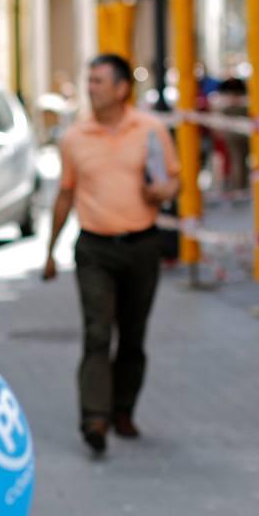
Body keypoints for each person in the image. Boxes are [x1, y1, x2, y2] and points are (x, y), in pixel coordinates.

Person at [42, 54, 180, 455]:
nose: (91, 87)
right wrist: (50, 251)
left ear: (122, 88)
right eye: (89, 80)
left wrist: (163, 192)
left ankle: (122, 409)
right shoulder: (74, 137)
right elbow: (65, 193)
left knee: (133, 337)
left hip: (142, 245)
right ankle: (94, 419)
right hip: (94, 249)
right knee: (98, 333)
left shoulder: (151, 130)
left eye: (99, 81)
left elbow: (173, 180)